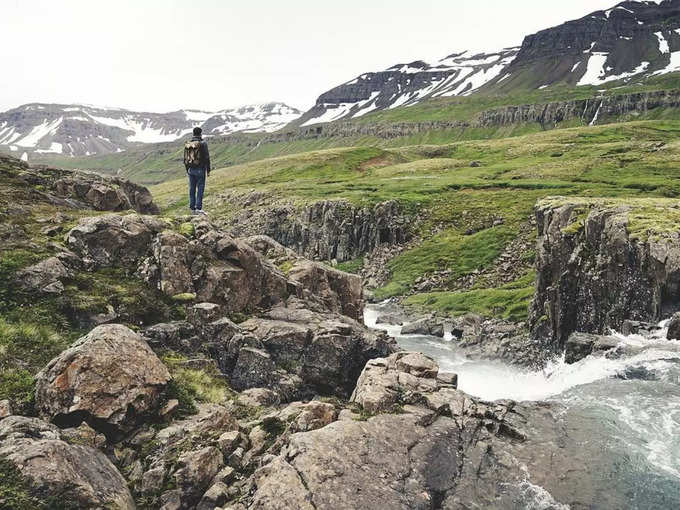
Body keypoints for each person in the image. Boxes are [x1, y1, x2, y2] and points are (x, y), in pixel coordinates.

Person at [183, 127, 211, 215]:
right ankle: (198, 208)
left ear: (193, 133)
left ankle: (192, 209)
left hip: (191, 169)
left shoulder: (189, 144)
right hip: (200, 169)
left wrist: (188, 169)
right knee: (200, 189)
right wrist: (208, 170)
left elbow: (185, 158)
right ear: (200, 133)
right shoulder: (203, 143)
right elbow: (207, 157)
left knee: (192, 189)